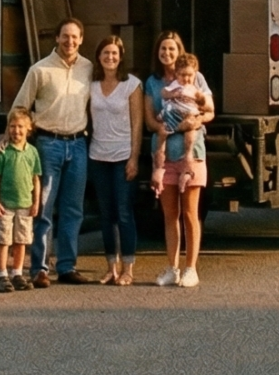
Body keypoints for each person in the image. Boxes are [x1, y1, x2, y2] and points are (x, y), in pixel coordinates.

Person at [8, 18, 93, 285]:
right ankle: (40, 269)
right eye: (65, 36)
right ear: (56, 38)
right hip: (48, 144)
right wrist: (8, 139)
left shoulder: (88, 68)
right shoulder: (40, 70)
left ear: (81, 39)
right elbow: (21, 106)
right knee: (43, 208)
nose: (70, 42)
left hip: (78, 143)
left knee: (73, 209)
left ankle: (67, 266)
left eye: (75, 37)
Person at [147, 32, 213, 288]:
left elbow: (209, 110)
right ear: (158, 52)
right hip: (164, 158)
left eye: (172, 49)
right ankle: (172, 268)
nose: (167, 53)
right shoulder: (153, 83)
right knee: (169, 214)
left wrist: (196, 121)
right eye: (163, 49)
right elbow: (151, 118)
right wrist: (163, 128)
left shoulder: (195, 77)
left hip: (191, 155)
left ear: (179, 51)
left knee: (190, 213)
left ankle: (190, 268)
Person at [85, 35, 146, 285]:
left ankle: (128, 268)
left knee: (124, 212)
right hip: (98, 156)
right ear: (99, 57)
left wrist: (134, 157)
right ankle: (111, 267)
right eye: (105, 53)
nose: (110, 57)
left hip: (123, 156)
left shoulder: (131, 84)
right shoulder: (91, 85)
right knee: (106, 214)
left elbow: (137, 123)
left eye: (114, 53)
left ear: (120, 57)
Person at [0, 108, 40, 291]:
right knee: (4, 240)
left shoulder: (32, 152)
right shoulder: (3, 152)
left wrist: (36, 202)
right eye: (12, 126)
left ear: (28, 129)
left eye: (20, 127)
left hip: (25, 205)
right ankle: (2, 274)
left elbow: (36, 178)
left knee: (21, 240)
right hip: (6, 205)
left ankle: (17, 273)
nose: (16, 131)